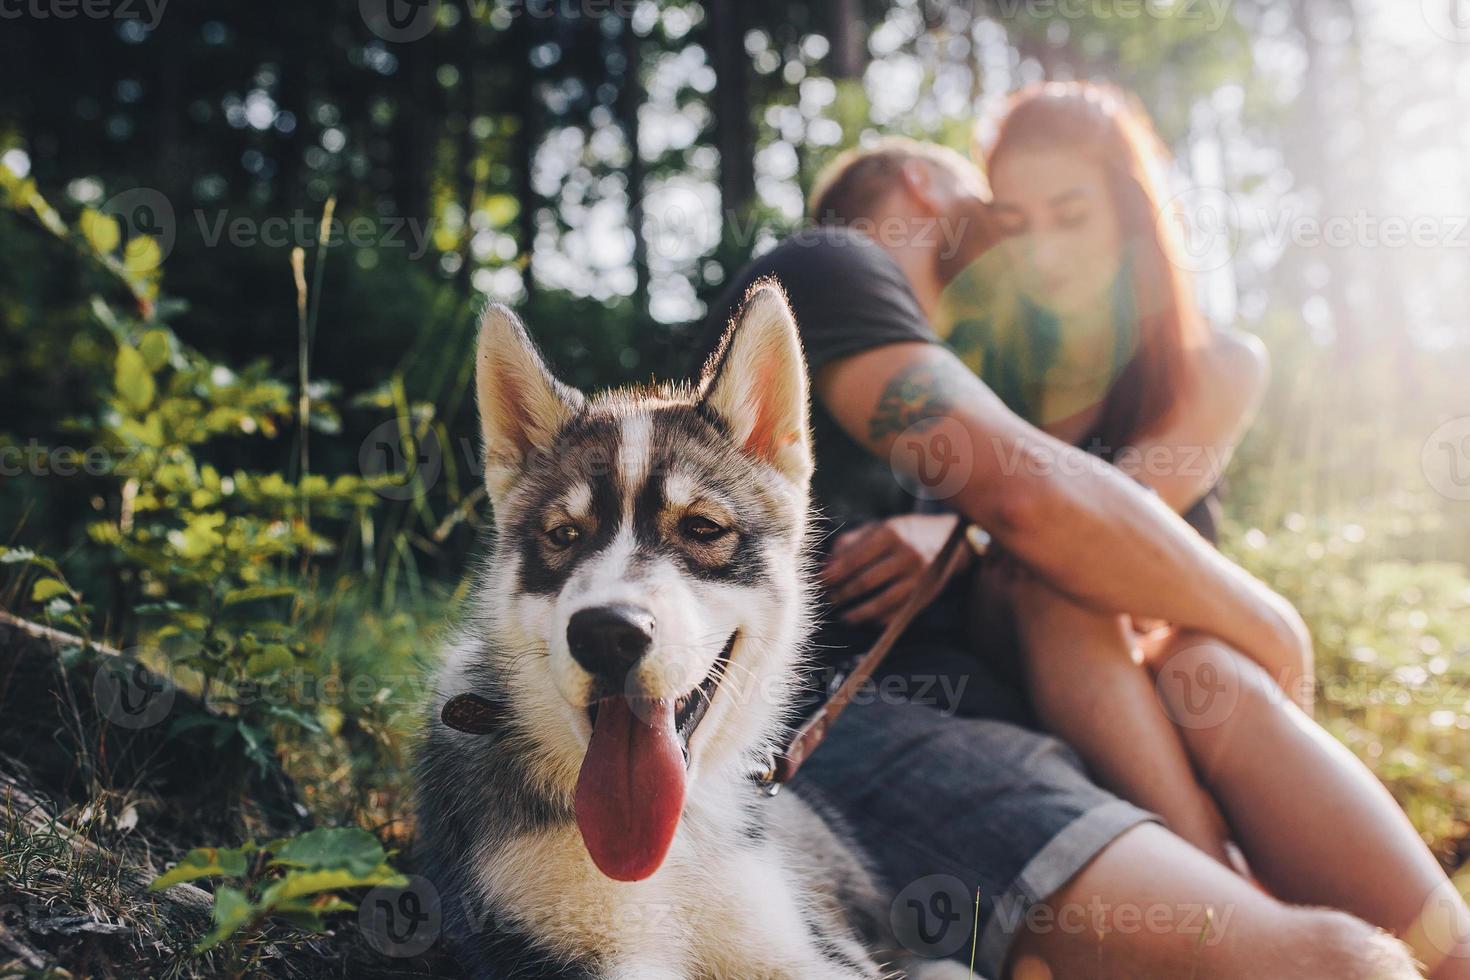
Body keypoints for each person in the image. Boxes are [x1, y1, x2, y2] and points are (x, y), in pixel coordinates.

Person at [694, 123, 1468, 976]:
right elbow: (1038, 501)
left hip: (1033, 718)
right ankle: (1237, 891)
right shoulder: (831, 264)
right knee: (1328, 962)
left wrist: (961, 540)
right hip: (860, 726)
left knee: (1208, 672)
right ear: (922, 183)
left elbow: (1046, 514)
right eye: (1000, 213)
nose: (1013, 241)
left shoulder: (980, 361)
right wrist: (1274, 623)